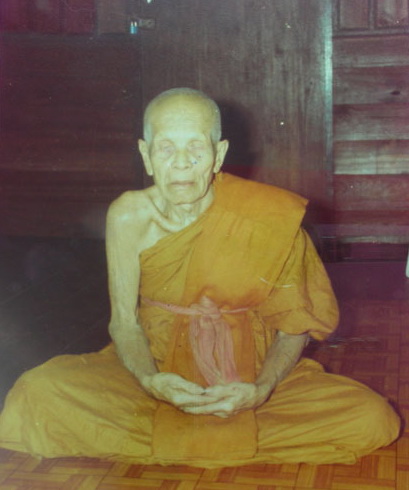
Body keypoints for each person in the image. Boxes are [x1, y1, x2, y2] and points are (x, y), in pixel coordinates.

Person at [0, 88, 400, 467]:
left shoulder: (268, 216)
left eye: (196, 147)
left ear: (218, 154)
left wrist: (261, 390)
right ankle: (210, 436)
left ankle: (184, 436)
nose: (182, 162)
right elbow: (123, 323)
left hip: (247, 370)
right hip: (156, 366)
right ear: (146, 155)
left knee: (372, 418)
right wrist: (150, 380)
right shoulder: (128, 216)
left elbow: (293, 328)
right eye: (165, 148)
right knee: (37, 394)